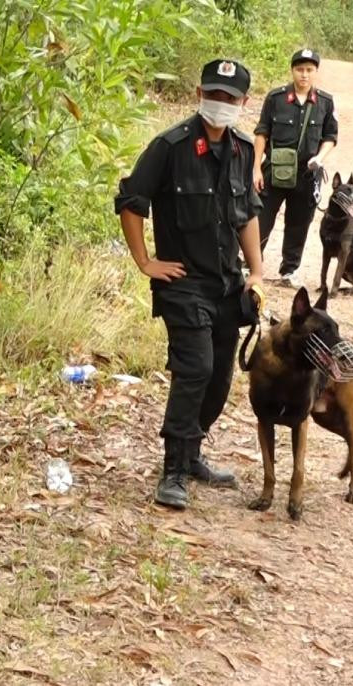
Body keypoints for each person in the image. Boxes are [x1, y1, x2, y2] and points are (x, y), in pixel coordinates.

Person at [115, 59, 265, 510]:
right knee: (195, 368)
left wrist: (256, 272)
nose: (220, 104)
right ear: (200, 92)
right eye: (213, 95)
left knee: (220, 377)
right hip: (183, 284)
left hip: (225, 284)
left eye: (230, 98)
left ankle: (193, 450)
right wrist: (146, 262)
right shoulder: (170, 146)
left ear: (242, 102)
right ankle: (173, 470)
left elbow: (247, 214)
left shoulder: (241, 148)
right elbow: (130, 201)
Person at [252, 49, 338, 286]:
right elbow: (261, 133)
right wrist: (256, 168)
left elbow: (330, 136)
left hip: (306, 173)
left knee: (299, 223)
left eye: (309, 70)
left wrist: (320, 158)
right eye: (300, 69)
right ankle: (252, 266)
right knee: (261, 217)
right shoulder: (276, 98)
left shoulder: (325, 102)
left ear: (316, 72)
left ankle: (289, 271)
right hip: (275, 170)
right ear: (292, 71)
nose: (304, 75)